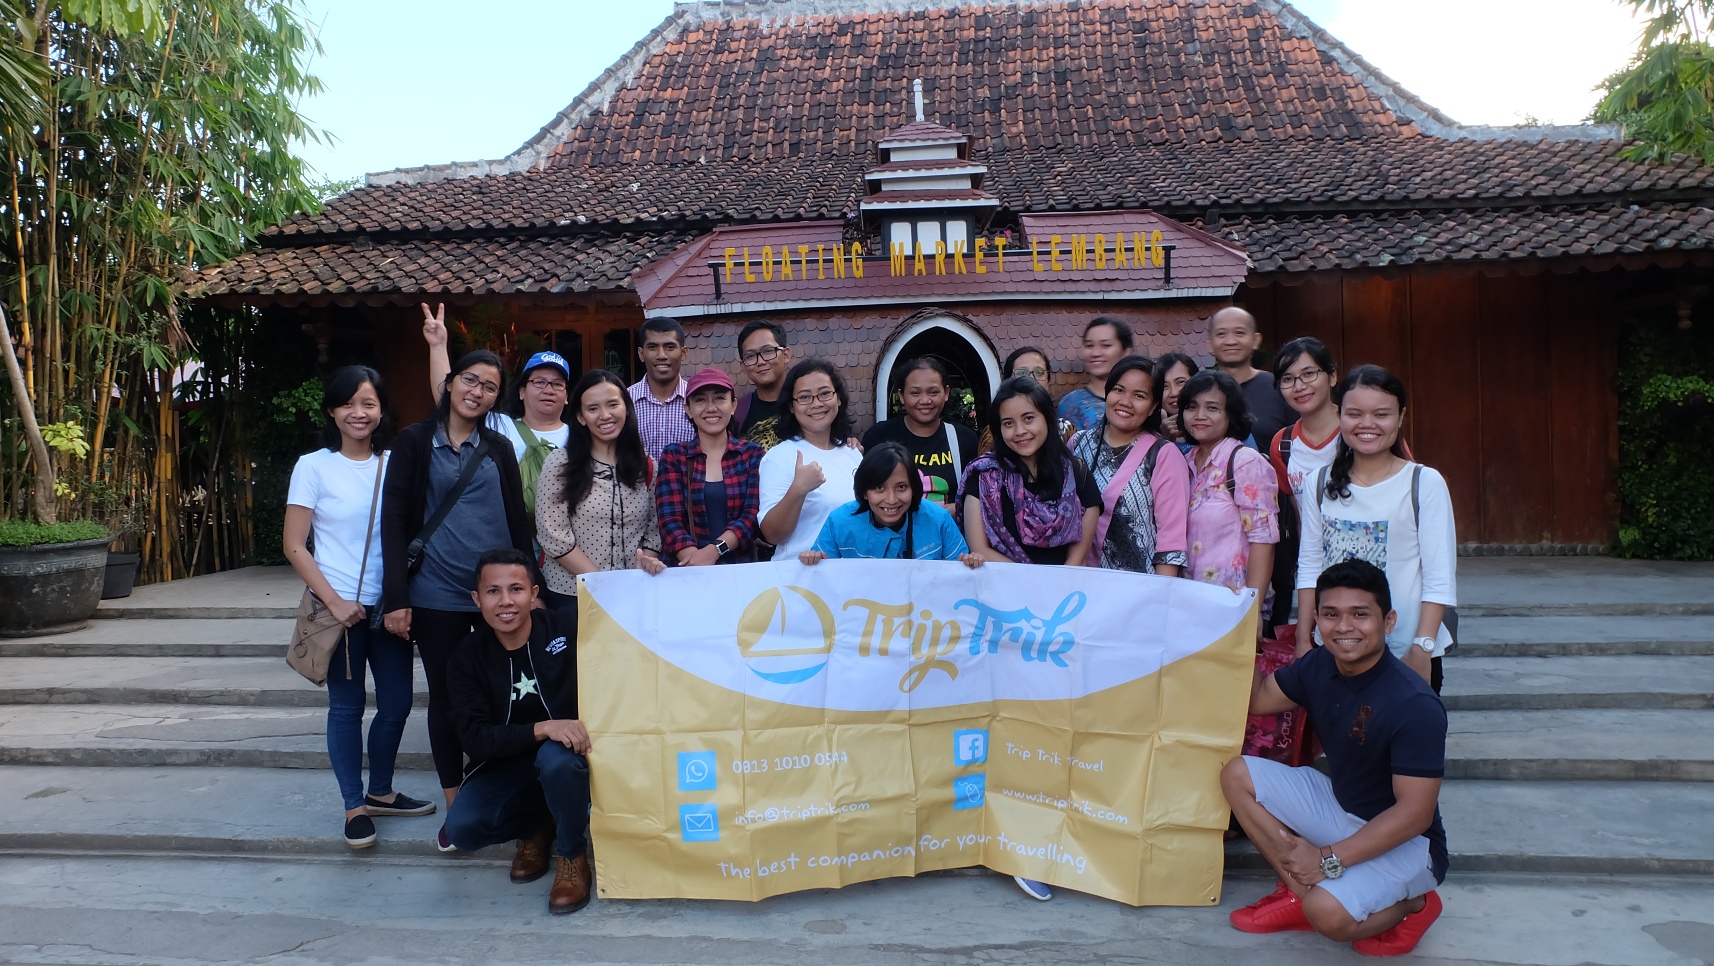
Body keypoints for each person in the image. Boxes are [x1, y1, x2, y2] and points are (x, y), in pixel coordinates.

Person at [1221, 559, 1447, 957]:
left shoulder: (1414, 703)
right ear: (1317, 620)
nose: (1344, 627)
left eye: (1360, 614)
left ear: (1388, 621)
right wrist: (1244, 633)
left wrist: (1326, 858)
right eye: (1330, 614)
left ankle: (1416, 903)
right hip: (1341, 808)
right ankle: (1302, 890)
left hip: (1408, 843)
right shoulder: (1320, 664)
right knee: (1237, 774)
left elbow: (1415, 814)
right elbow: (1257, 700)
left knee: (1329, 916)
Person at [380, 349, 534, 846]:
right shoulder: (414, 441)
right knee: (446, 701)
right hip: (437, 593)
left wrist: (529, 588)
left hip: (499, 596)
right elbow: (394, 520)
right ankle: (456, 806)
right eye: (470, 380)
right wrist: (397, 596)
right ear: (449, 383)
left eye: (489, 387)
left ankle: (510, 798)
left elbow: (516, 520)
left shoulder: (498, 447)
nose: (477, 392)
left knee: (506, 696)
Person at [961, 376, 1101, 901]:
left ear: (1047, 419)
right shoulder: (982, 476)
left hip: (1063, 618)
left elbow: (1084, 534)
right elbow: (979, 548)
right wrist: (1036, 587)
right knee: (1014, 729)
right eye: (1008, 423)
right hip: (1008, 618)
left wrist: (1061, 583)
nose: (1020, 430)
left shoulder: (1074, 471)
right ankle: (1020, 847)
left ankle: (1064, 842)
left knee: (1061, 730)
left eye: (1029, 418)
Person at [283, 367, 435, 849]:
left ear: (382, 410)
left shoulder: (396, 463)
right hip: (339, 611)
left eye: (368, 403)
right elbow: (294, 545)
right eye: (348, 403)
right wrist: (335, 601)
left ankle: (381, 791)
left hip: (390, 609)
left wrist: (400, 599)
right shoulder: (314, 466)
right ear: (332, 410)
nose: (358, 413)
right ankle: (354, 806)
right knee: (346, 709)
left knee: (397, 704)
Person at [444, 549, 594, 915]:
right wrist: (542, 728)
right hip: (506, 763)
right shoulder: (466, 656)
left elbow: (628, 614)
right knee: (462, 829)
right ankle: (536, 827)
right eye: (493, 591)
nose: (506, 601)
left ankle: (572, 855)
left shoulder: (565, 625)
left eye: (516, 589)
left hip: (564, 757)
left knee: (557, 763)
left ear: (533, 593)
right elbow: (475, 740)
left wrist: (650, 576)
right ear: (477, 599)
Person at [1295, 366, 1456, 690]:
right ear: (1339, 415)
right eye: (1355, 414)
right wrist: (1303, 640)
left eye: (1381, 414)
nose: (1367, 424)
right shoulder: (1318, 483)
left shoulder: (1423, 483)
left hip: (1407, 652)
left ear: (1400, 417)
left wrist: (1422, 648)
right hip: (1335, 650)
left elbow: (1439, 577)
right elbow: (1310, 566)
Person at [420, 303, 572, 516]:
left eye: (557, 384)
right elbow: (449, 400)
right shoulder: (499, 426)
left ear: (567, 396)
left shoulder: (581, 436)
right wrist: (438, 347)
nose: (549, 390)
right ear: (521, 391)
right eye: (539, 382)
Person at [535, 370, 666, 609]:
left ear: (626, 408)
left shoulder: (646, 466)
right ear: (581, 416)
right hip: (572, 595)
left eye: (613, 404)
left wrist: (646, 564)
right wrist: (602, 584)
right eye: (593, 408)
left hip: (631, 594)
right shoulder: (560, 464)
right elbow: (553, 534)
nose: (605, 415)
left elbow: (654, 530)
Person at [1067, 356, 1189, 576]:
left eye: (1139, 395)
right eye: (1118, 390)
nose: (1125, 401)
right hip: (1079, 585)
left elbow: (1171, 541)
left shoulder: (1163, 455)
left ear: (1153, 406)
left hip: (1139, 588)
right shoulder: (1077, 444)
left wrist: (1161, 592)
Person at [1179, 370, 1279, 620]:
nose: (1200, 415)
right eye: (1192, 406)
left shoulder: (1245, 462)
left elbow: (1263, 538)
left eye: (1212, 408)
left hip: (1232, 604)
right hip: (1187, 604)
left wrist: (1251, 608)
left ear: (1231, 414)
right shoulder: (1183, 463)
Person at [798, 442, 984, 566]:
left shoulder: (939, 519)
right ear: (864, 491)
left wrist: (970, 562)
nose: (892, 499)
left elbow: (959, 574)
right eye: (879, 488)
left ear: (914, 488)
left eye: (901, 487)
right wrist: (812, 560)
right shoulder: (839, 522)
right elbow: (822, 578)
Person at [1264, 337, 1340, 632]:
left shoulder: (1361, 430)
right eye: (1288, 379)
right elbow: (1298, 515)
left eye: (1309, 374)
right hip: (1317, 572)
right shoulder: (1282, 444)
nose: (1299, 386)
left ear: (1331, 376)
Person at [656, 368, 765, 565]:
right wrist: (694, 562)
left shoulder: (752, 454)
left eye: (719, 398)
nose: (711, 408)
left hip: (740, 571)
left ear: (733, 405)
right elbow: (669, 520)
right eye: (700, 400)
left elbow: (752, 516)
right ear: (688, 409)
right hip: (686, 571)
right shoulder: (674, 456)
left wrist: (714, 551)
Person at [759, 360, 866, 559]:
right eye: (804, 397)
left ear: (838, 399)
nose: (816, 404)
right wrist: (798, 490)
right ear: (791, 406)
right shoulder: (780, 456)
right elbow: (772, 534)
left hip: (850, 572)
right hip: (801, 574)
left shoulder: (853, 453)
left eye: (825, 393)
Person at [861, 357, 978, 509]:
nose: (925, 400)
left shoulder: (964, 439)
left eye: (933, 392)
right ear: (902, 396)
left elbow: (978, 498)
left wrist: (956, 510)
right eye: (915, 393)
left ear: (946, 393)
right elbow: (866, 494)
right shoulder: (879, 437)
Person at [1206, 307, 1295, 449]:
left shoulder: (1278, 387)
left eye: (1239, 333)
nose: (1230, 341)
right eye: (1221, 334)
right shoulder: (1201, 391)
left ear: (1256, 340)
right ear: (1210, 343)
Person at [629, 316, 694, 459]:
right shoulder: (625, 401)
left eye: (669, 347)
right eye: (652, 347)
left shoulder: (696, 400)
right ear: (641, 353)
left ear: (683, 353)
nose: (661, 355)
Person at [1057, 317, 1133, 432]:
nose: (1095, 353)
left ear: (1126, 352)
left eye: (1106, 345)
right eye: (1089, 346)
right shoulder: (1069, 404)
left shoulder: (1140, 402)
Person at [735, 320, 793, 449]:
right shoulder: (738, 412)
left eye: (768, 351)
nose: (760, 361)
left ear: (785, 355)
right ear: (743, 366)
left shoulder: (809, 403)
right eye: (750, 356)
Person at [1153, 351, 1199, 450]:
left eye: (1180, 382)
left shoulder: (1216, 427)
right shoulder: (1148, 437)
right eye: (1165, 386)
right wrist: (1164, 441)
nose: (1174, 393)